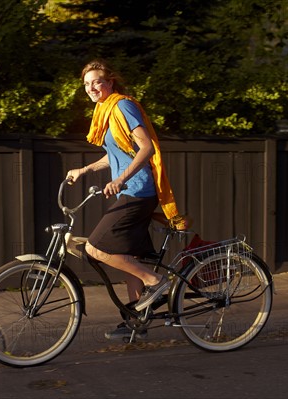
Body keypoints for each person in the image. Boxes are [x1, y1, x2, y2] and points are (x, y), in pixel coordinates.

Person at [66, 59, 187, 339]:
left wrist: (121, 179)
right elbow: (117, 154)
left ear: (110, 82)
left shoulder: (122, 105)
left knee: (96, 248)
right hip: (130, 190)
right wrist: (85, 170)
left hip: (139, 190)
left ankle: (155, 282)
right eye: (86, 84)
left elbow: (146, 148)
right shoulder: (105, 111)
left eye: (97, 82)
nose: (92, 88)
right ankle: (136, 319)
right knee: (126, 256)